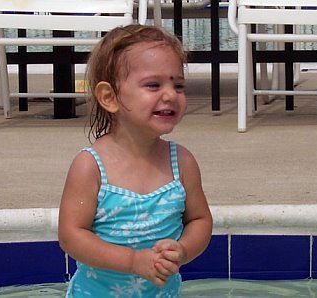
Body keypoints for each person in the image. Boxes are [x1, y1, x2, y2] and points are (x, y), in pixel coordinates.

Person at [58, 24, 213, 297]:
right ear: (109, 97)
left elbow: (199, 219)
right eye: (153, 85)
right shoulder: (92, 166)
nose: (170, 94)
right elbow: (72, 236)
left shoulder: (182, 162)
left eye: (178, 85)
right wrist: (132, 261)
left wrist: (184, 249)